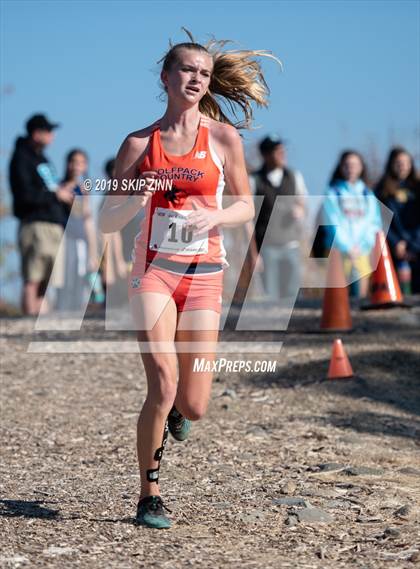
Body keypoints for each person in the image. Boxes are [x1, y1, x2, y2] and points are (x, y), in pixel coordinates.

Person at [99, 34, 278, 528]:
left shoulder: (222, 140)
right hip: (153, 274)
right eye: (186, 70)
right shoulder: (139, 143)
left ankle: (180, 410)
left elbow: (245, 204)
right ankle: (148, 494)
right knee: (161, 384)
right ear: (166, 78)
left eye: (203, 72)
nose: (196, 78)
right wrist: (135, 195)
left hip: (203, 276)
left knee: (194, 405)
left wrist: (214, 217)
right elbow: (107, 219)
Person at [9, 114, 75, 315]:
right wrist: (56, 194)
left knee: (47, 281)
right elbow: (25, 194)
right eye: (48, 131)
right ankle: (28, 326)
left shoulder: (43, 160)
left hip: (54, 225)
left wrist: (66, 193)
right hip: (35, 224)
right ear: (37, 133)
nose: (52, 136)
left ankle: (39, 324)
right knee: (33, 278)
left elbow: (53, 188)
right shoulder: (21, 157)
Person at [251, 135, 308, 301]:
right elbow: (248, 219)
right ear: (266, 155)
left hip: (292, 246)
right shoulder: (255, 180)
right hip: (267, 248)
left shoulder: (294, 176)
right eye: (277, 151)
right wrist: (253, 254)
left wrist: (300, 210)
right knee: (271, 297)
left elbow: (303, 201)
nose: (282, 154)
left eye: (283, 150)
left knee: (293, 297)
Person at [322, 150, 382, 297]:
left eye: (355, 165)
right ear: (341, 167)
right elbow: (332, 220)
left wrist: (361, 247)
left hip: (363, 251)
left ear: (361, 167)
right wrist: (347, 247)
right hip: (340, 252)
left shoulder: (368, 194)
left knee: (360, 297)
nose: (351, 169)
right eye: (347, 165)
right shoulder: (333, 192)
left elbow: (374, 222)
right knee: (340, 299)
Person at [56, 149, 103, 311]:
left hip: (80, 240)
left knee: (80, 278)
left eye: (81, 163)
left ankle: (76, 312)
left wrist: (93, 251)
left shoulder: (83, 190)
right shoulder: (59, 187)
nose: (77, 166)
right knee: (63, 279)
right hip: (63, 239)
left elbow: (87, 219)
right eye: (74, 162)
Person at [375, 147, 420, 294]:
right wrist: (396, 243)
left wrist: (413, 245)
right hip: (392, 248)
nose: (403, 166)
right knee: (397, 294)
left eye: (406, 162)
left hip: (416, 246)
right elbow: (379, 219)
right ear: (391, 164)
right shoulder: (381, 190)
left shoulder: (417, 187)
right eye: (398, 162)